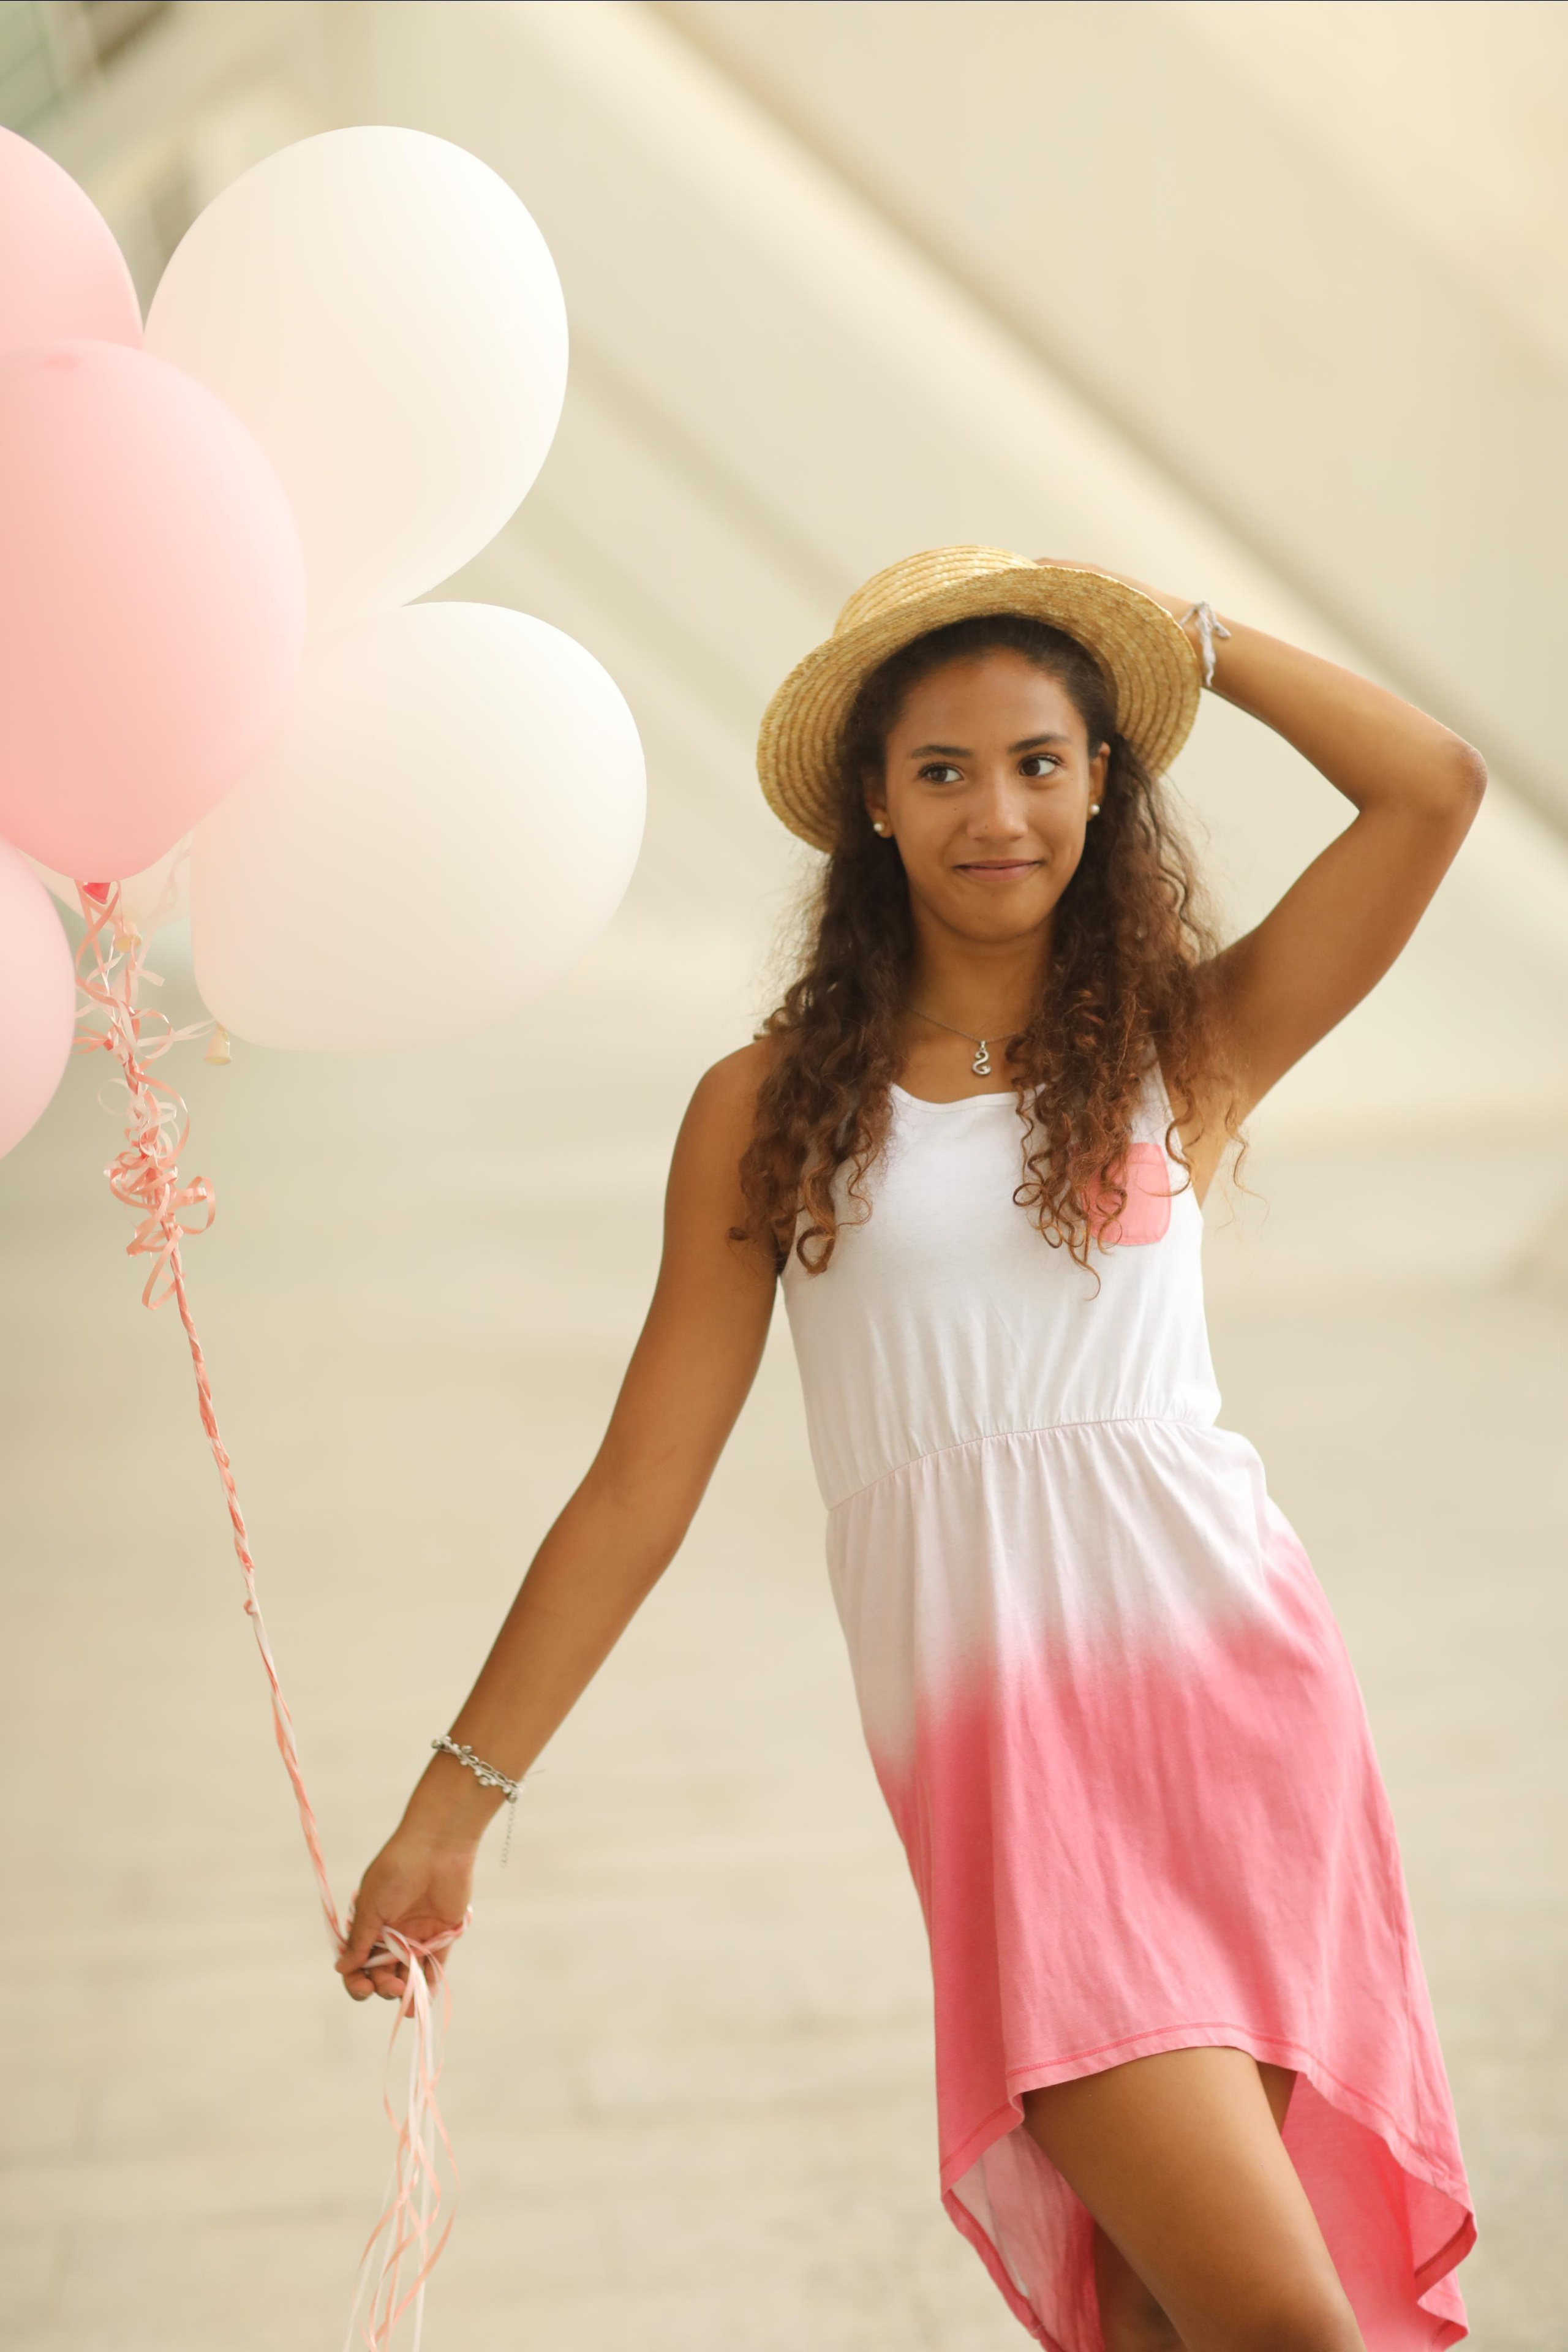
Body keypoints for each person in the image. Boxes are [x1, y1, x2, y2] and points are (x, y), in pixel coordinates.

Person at [337, 548, 1482, 2351]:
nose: (997, 812)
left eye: (1041, 759)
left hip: (1247, 1718)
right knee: (1278, 2322)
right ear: (871, 804)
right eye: (942, 770)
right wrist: (446, 1813)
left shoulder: (1177, 1049)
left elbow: (1431, 790)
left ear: (1105, 783)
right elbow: (641, 1487)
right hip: (1015, 1774)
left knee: (1196, 2323)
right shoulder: (772, 1109)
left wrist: (1181, 636)